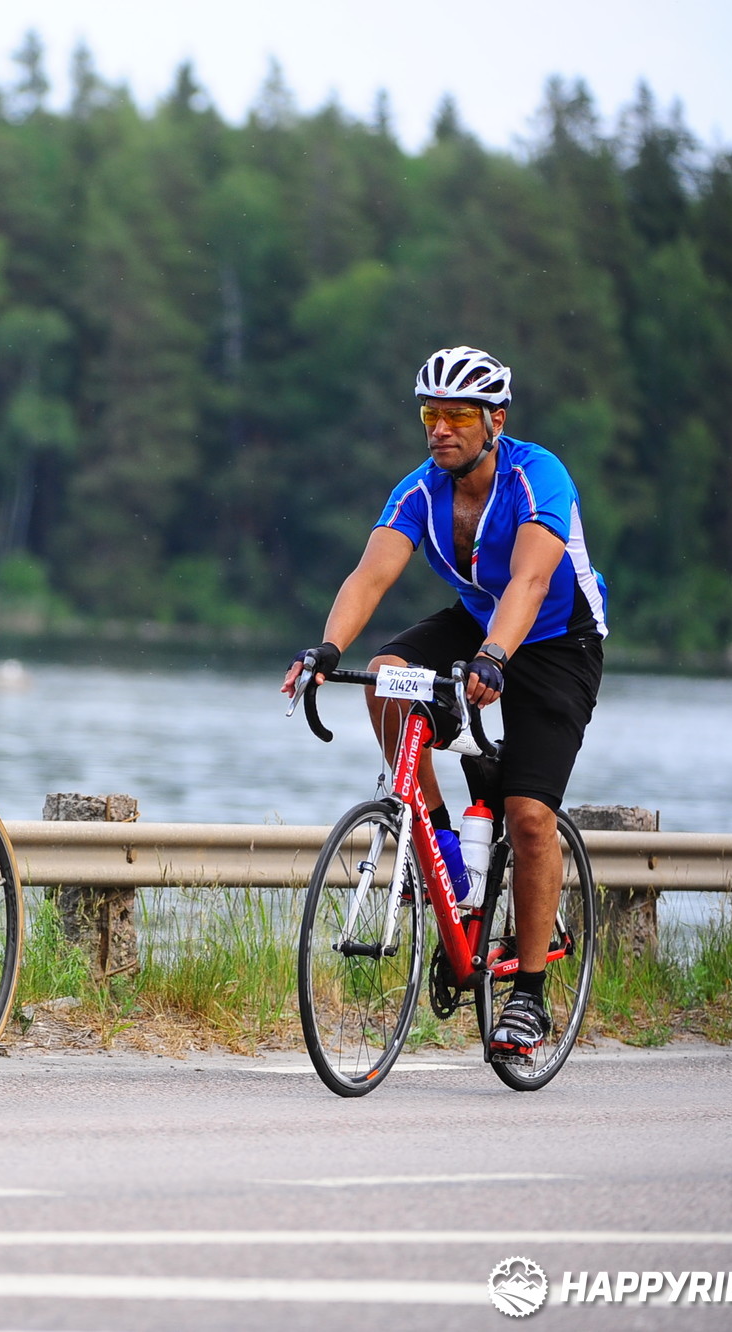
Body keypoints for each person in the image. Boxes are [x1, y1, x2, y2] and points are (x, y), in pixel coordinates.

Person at [280, 346, 607, 1063]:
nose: (439, 428)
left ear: (496, 420)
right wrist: (326, 649)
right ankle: (441, 848)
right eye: (431, 413)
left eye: (457, 415)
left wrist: (494, 657)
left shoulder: (537, 476)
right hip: (480, 620)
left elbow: (529, 582)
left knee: (528, 816)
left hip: (557, 638)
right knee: (386, 674)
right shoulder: (420, 491)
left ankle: (528, 995)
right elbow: (370, 576)